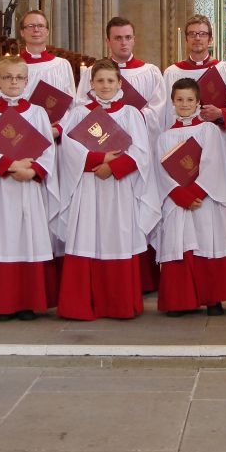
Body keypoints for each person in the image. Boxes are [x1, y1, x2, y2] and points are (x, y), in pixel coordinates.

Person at [54, 59, 161, 320]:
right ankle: (82, 304)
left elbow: (141, 152)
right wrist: (99, 161)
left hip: (119, 187)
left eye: (110, 81)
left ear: (119, 84)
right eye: (100, 80)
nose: (105, 86)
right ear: (90, 84)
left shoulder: (131, 114)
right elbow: (69, 151)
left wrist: (113, 167)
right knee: (87, 237)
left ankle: (118, 304)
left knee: (117, 237)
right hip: (88, 186)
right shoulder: (80, 113)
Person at [0, 56, 60, 321]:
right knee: (1, 240)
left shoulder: (37, 112)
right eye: (7, 77)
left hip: (28, 186)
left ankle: (28, 302)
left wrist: (32, 170)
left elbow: (47, 150)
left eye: (19, 77)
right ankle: (1, 304)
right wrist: (9, 164)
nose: (14, 82)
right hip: (0, 187)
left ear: (27, 81)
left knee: (28, 240)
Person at [153, 78, 226, 316]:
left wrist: (195, 193)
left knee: (206, 243)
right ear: (172, 102)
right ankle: (180, 301)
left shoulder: (208, 129)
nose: (184, 104)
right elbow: (160, 173)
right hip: (177, 203)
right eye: (179, 99)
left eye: (189, 100)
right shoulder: (163, 137)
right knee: (179, 245)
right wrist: (180, 195)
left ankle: (212, 299)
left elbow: (214, 164)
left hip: (204, 201)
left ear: (198, 102)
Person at [75, 16, 167, 130]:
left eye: (128, 37)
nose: (124, 43)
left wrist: (128, 120)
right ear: (107, 41)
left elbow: (158, 110)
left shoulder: (151, 73)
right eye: (118, 38)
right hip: (104, 137)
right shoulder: (92, 72)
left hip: (140, 135)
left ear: (134, 40)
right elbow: (81, 106)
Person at [162, 14, 226, 131]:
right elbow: (165, 113)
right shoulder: (172, 73)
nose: (197, 38)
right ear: (186, 39)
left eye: (202, 34)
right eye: (192, 34)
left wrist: (221, 113)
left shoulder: (225, 69)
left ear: (210, 39)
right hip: (183, 139)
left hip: (219, 139)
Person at [16, 9, 79, 132]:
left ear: (47, 31)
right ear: (22, 32)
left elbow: (72, 105)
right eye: (30, 26)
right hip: (22, 134)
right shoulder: (12, 66)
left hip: (56, 134)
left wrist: (59, 129)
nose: (36, 30)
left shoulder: (62, 65)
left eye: (40, 26)